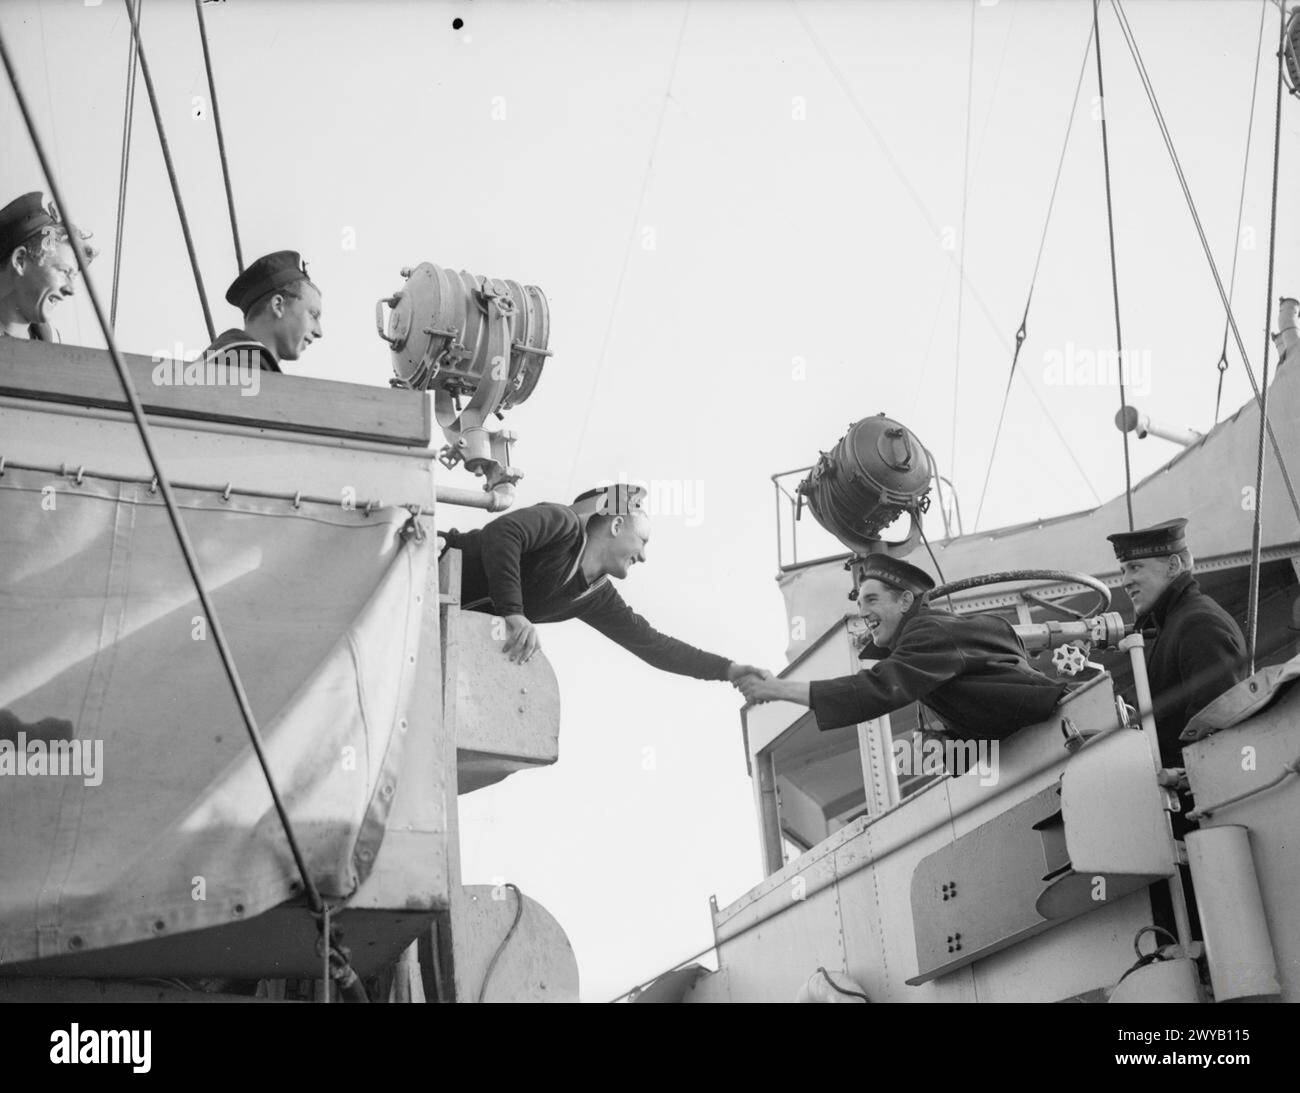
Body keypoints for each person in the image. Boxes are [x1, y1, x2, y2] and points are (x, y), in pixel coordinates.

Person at [442, 483, 768, 686]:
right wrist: (513, 612)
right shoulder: (563, 525)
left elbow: (653, 646)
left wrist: (729, 670)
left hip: (438, 615)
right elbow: (504, 534)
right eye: (642, 541)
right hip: (426, 563)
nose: (643, 556)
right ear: (615, 525)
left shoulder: (595, 596)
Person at [736, 554, 1066, 738]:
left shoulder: (930, 631)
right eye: (860, 603)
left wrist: (777, 689)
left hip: (1058, 724)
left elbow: (879, 688)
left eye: (872, 600)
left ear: (905, 600)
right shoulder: (931, 637)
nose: (863, 612)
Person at [1106, 518, 1247, 772]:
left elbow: (1215, 731)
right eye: (1123, 571)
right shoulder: (1173, 624)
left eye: (1135, 567)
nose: (1126, 581)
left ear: (1173, 566)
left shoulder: (1198, 624)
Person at [0, 191, 96, 342]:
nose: (69, 290)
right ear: (20, 260)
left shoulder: (55, 341)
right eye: (64, 272)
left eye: (72, 277)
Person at [204, 250, 322, 372]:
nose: (319, 332)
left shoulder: (221, 360)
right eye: (313, 314)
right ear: (278, 305)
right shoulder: (244, 366)